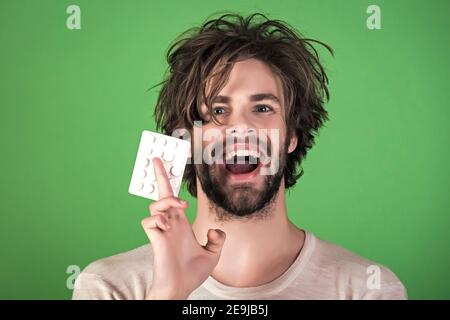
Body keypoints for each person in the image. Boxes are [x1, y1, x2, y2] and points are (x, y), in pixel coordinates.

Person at [73, 13, 407, 300]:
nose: (241, 128)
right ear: (185, 139)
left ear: (292, 135)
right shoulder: (109, 287)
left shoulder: (367, 289)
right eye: (218, 110)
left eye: (262, 108)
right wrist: (167, 293)